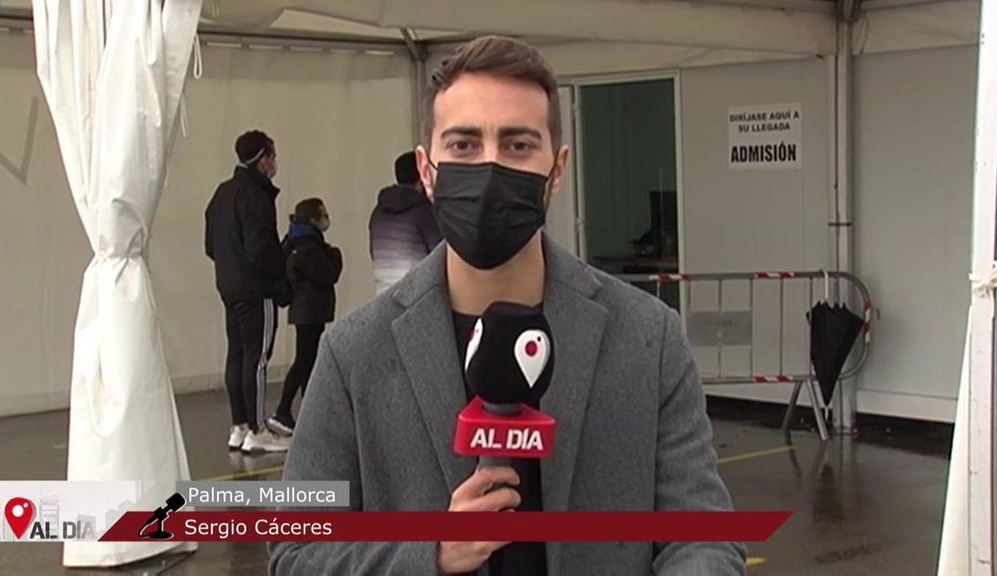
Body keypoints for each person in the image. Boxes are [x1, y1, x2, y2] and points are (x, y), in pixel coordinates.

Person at [270, 37, 745, 575]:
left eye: (518, 145)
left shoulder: (648, 338)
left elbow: (702, 536)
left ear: (557, 170)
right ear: (427, 171)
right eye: (465, 145)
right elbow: (297, 554)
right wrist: (431, 553)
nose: (490, 169)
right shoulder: (353, 354)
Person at [204, 130, 292, 455]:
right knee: (257, 359)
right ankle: (257, 429)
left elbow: (210, 244)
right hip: (257, 290)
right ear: (263, 159)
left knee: (238, 355)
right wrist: (280, 281)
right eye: (273, 156)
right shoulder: (256, 196)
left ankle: (239, 425)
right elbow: (262, 248)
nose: (275, 163)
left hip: (229, 287)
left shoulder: (222, 193)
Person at [267, 198, 343, 437]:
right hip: (309, 310)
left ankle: (307, 413)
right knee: (304, 360)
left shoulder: (297, 243)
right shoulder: (309, 248)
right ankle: (283, 410)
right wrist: (335, 254)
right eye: (322, 214)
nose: (326, 218)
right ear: (312, 220)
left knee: (307, 361)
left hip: (307, 310)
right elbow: (329, 273)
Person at [368, 150, 442, 294]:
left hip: (383, 296)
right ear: (422, 178)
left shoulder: (378, 212)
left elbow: (373, 253)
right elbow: (440, 255)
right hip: (416, 297)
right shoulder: (424, 212)